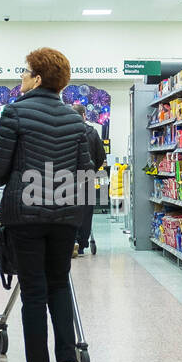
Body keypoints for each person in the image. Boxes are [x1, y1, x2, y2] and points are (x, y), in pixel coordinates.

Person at [0, 48, 92, 362]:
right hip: (64, 216)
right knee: (59, 284)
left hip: (26, 216)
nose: (20, 77)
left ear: (37, 78)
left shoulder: (14, 113)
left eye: (24, 71)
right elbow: (86, 175)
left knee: (34, 293)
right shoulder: (77, 121)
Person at [71, 103, 106, 257]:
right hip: (87, 177)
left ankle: (71, 242)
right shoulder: (92, 132)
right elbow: (101, 156)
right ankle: (82, 244)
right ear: (84, 115)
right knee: (86, 212)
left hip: (68, 178)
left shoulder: (66, 132)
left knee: (69, 209)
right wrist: (92, 168)